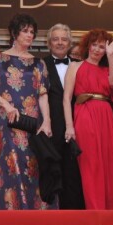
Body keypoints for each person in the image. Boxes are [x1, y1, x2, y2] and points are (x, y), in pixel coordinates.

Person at [0, 13, 54, 210]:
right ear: (14, 33)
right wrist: (5, 105)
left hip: (32, 124)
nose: (29, 35)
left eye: (32, 32)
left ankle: (33, 212)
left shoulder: (39, 64)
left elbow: (43, 94)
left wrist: (47, 122)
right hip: (6, 122)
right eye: (25, 31)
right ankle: (9, 212)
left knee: (32, 167)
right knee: (9, 165)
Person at [63, 28, 113, 210]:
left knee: (109, 163)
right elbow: (66, 98)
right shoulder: (75, 66)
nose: (98, 49)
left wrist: (111, 56)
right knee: (90, 164)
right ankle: (96, 211)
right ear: (87, 46)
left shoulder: (107, 68)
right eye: (95, 45)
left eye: (102, 47)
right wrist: (69, 126)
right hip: (84, 115)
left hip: (105, 117)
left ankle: (112, 212)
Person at [42, 23, 84, 209]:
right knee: (51, 173)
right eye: (55, 39)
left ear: (70, 43)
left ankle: (75, 217)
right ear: (49, 43)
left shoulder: (79, 66)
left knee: (75, 172)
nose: (60, 43)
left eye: (64, 39)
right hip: (50, 127)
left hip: (78, 124)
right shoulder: (40, 64)